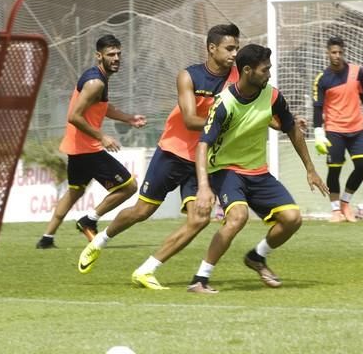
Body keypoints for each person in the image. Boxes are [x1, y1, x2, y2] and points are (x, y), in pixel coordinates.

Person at [77, 24, 241, 287]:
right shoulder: (189, 76)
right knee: (142, 210)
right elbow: (189, 120)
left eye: (237, 49)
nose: (235, 54)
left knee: (199, 219)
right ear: (212, 48)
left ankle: (146, 270)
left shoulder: (238, 78)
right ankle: (101, 240)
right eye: (229, 48)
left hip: (203, 158)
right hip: (173, 152)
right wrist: (232, 123)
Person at [187, 43, 328, 294]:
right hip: (225, 170)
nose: (269, 74)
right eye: (265, 70)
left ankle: (257, 256)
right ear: (248, 71)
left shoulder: (272, 95)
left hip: (258, 172)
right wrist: (204, 187)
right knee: (237, 217)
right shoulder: (224, 103)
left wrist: (310, 169)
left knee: (292, 219)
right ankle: (200, 278)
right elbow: (202, 145)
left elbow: (292, 129)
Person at [35, 34, 147, 249]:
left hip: (77, 147)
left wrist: (128, 118)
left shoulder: (98, 79)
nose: (116, 58)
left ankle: (46, 238)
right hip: (88, 149)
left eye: (118, 54)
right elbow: (74, 116)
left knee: (75, 191)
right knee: (129, 187)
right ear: (99, 56)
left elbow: (102, 107)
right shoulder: (95, 82)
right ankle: (89, 220)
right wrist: (102, 137)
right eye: (111, 54)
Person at [312, 36, 363, 223]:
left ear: (344, 52)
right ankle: (335, 210)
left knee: (362, 165)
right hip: (334, 130)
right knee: (334, 170)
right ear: (327, 53)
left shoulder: (357, 71)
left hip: (357, 129)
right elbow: (318, 108)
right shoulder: (322, 79)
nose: (337, 56)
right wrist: (318, 132)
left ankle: (345, 203)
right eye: (333, 52)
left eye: (340, 52)